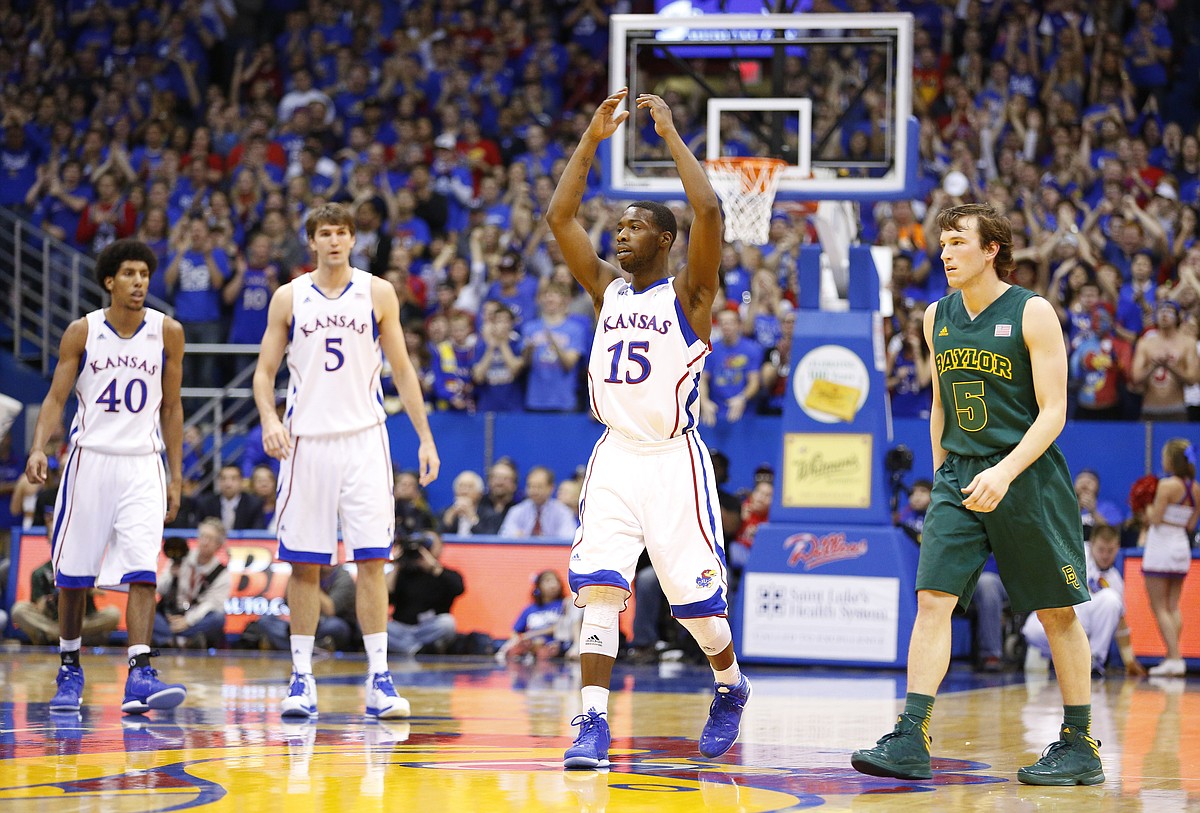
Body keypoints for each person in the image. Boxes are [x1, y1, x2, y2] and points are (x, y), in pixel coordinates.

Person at [851, 203, 1103, 786]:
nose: (945, 252)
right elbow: (940, 404)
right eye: (942, 242)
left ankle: (1079, 743)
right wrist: (945, 475)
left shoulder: (1032, 312)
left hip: (1027, 476)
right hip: (960, 475)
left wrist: (1006, 472)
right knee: (932, 601)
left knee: (1056, 612)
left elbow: (1055, 411)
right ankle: (911, 735)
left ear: (991, 249)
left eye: (958, 241)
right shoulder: (934, 316)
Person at [546, 89, 749, 769]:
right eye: (618, 227)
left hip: (672, 461)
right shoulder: (606, 289)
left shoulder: (690, 296)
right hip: (614, 457)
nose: (618, 235)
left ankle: (730, 684)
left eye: (632, 227)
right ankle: (592, 724)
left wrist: (667, 134)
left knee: (697, 612)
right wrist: (592, 137)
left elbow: (710, 209)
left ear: (662, 239)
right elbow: (559, 214)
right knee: (601, 588)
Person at [253, 202, 440, 720]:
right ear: (311, 241)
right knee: (305, 564)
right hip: (305, 441)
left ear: (353, 239)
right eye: (324, 233)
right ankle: (301, 679)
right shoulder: (288, 297)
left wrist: (424, 437)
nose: (333, 241)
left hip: (363, 440)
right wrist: (269, 418)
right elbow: (265, 372)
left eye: (342, 232)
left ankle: (380, 679)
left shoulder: (377, 291)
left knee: (373, 560)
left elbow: (402, 368)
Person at [23, 238, 187, 715]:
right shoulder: (83, 331)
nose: (140, 282)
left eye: (145, 274)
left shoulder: (168, 332)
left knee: (143, 569)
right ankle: (70, 665)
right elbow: (56, 398)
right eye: (130, 274)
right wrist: (38, 447)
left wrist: (175, 476)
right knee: (73, 576)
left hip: (142, 462)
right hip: (90, 459)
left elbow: (173, 408)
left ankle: (140, 672)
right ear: (110, 281)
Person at [1022, 525, 1148, 677]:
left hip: (1084, 627)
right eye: (1101, 549)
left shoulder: (1115, 580)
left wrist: (1129, 661)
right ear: (1091, 543)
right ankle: (1065, 659)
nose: (1105, 555)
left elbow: (1121, 624)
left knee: (1111, 599)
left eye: (1110, 550)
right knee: (1032, 630)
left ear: (1118, 547)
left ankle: (1093, 661)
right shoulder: (1075, 553)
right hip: (1059, 614)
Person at [1140, 438, 1199, 677]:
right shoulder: (1196, 488)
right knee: (1173, 605)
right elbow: (1191, 524)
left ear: (1171, 460)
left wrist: (1144, 505)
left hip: (1161, 546)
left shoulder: (1166, 485)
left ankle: (1174, 658)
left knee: (1159, 606)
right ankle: (1173, 656)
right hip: (1181, 547)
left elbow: (1154, 518)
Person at [152, 518, 230, 649]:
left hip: (196, 618)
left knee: (217, 619)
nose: (204, 542)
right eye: (202, 536)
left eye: (210, 539)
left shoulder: (222, 573)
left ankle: (171, 639)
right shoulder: (181, 557)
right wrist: (171, 574)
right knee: (148, 611)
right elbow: (159, 588)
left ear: (219, 544)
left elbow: (211, 604)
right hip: (171, 614)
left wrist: (187, 621)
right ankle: (184, 641)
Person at [385, 531, 464, 655]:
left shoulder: (445, 573)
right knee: (377, 627)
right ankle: (416, 650)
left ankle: (408, 648)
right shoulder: (402, 572)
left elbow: (459, 589)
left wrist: (433, 567)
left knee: (447, 623)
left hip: (429, 628)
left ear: (440, 548)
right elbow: (385, 594)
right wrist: (396, 563)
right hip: (401, 628)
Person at [10, 561, 120, 646]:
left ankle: (56, 637)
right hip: (52, 621)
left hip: (82, 621)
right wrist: (52, 598)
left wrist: (81, 586)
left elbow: (102, 592)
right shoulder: (40, 572)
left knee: (113, 613)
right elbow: (39, 607)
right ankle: (70, 637)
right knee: (19, 609)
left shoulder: (86, 568)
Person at [255, 564, 358, 653]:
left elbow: (330, 609)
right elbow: (290, 603)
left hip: (328, 623)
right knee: (266, 621)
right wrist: (296, 577)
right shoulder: (304, 574)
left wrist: (310, 583)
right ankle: (315, 648)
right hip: (304, 623)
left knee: (336, 626)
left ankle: (288, 646)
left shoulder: (343, 577)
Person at [496, 570, 569, 663]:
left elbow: (562, 627)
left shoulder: (565, 604)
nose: (553, 585)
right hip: (530, 644)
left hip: (554, 644)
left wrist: (532, 634)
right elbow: (515, 631)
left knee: (542, 643)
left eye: (556, 581)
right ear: (538, 586)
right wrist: (517, 640)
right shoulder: (530, 609)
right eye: (548, 581)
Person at [498, 466, 579, 538]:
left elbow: (568, 539)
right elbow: (505, 536)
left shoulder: (563, 512)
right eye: (531, 486)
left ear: (551, 488)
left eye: (539, 487)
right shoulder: (517, 511)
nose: (534, 491)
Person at [196, 463, 265, 531]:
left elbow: (257, 532)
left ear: (241, 481)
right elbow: (196, 529)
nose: (228, 483)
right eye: (223, 479)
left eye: (233, 479)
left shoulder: (253, 504)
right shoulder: (206, 503)